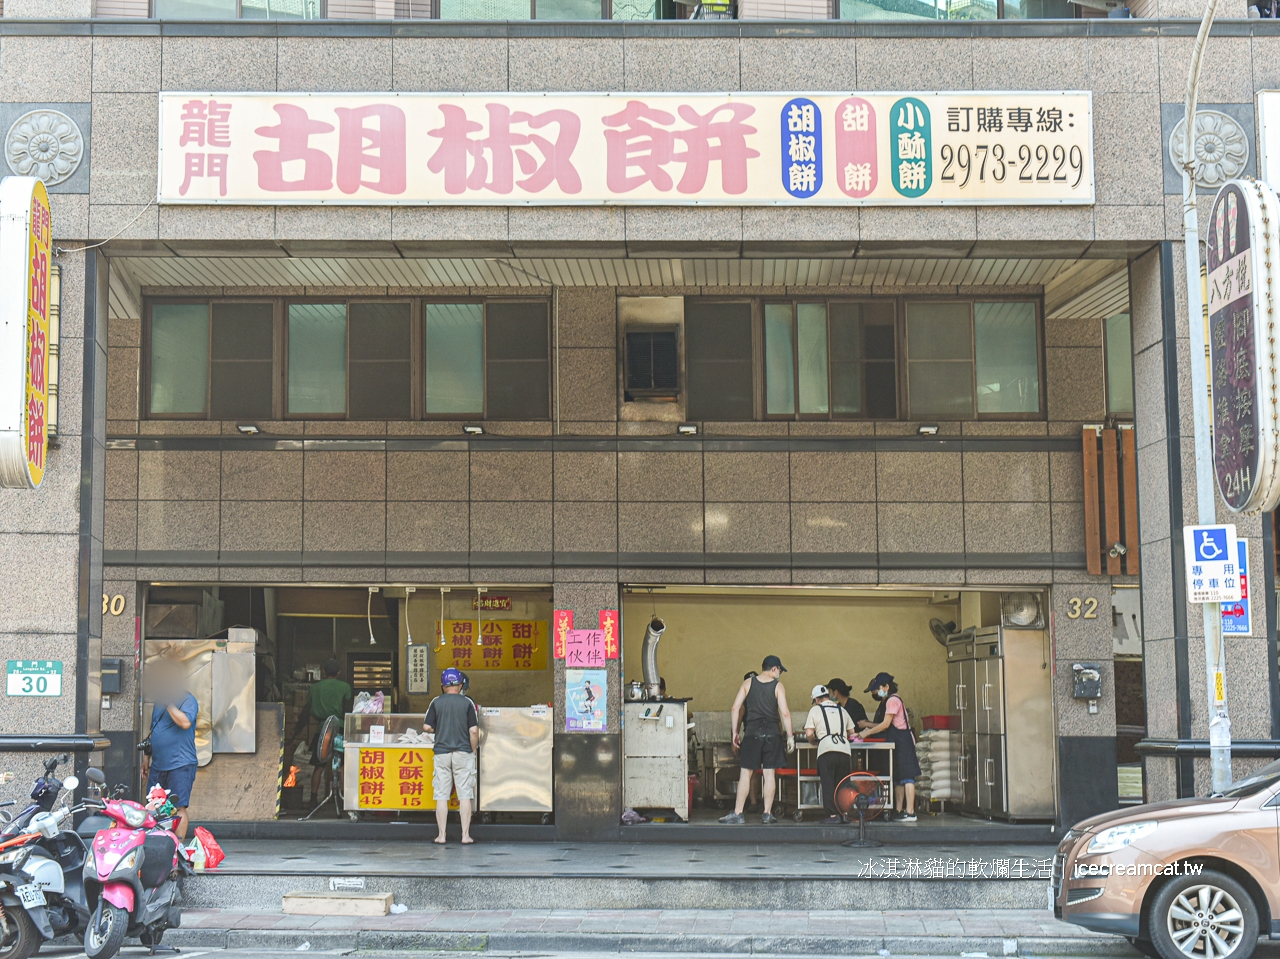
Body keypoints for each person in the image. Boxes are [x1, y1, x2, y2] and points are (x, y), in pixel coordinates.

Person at [720, 656, 793, 825]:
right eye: (780, 670)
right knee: (769, 774)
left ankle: (738, 813)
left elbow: (735, 708)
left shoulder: (748, 683)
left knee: (746, 773)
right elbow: (785, 713)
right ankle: (767, 813)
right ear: (774, 669)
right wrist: (790, 736)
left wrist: (735, 733)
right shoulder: (778, 686)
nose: (779, 674)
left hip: (752, 734)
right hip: (772, 734)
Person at [141, 660, 198, 840]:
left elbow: (184, 722)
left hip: (180, 764)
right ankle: (157, 844)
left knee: (178, 807)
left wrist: (168, 703)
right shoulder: (159, 703)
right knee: (154, 805)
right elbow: (153, 731)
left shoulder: (188, 700)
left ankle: (177, 849)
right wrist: (146, 758)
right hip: (158, 765)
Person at [424, 666, 479, 844]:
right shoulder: (467, 703)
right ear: (461, 684)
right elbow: (474, 731)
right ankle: (465, 835)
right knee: (464, 795)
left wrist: (438, 729)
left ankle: (441, 836)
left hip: (441, 753)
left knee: (441, 794)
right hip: (463, 752)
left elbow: (426, 727)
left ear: (443, 685)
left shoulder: (436, 702)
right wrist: (473, 748)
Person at [857, 672, 921, 822]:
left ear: (886, 687)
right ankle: (898, 810)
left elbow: (885, 724)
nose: (878, 691)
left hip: (903, 740)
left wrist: (867, 731)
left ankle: (910, 812)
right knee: (898, 778)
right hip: (897, 741)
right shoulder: (890, 700)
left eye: (879, 688)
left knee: (907, 777)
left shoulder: (892, 700)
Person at [290, 658, 353, 804]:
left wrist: (297, 730)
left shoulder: (315, 688)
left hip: (322, 730)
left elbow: (307, 711)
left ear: (323, 672)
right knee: (343, 765)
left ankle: (313, 799)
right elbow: (348, 711)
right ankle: (346, 800)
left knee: (319, 766)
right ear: (339, 672)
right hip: (340, 729)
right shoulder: (345, 687)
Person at [804, 685, 856, 824]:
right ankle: (845, 813)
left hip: (826, 749)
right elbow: (852, 732)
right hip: (844, 750)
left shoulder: (815, 710)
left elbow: (809, 733)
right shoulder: (842, 710)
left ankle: (833, 816)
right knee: (843, 783)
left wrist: (813, 741)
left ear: (816, 699)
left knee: (828, 783)